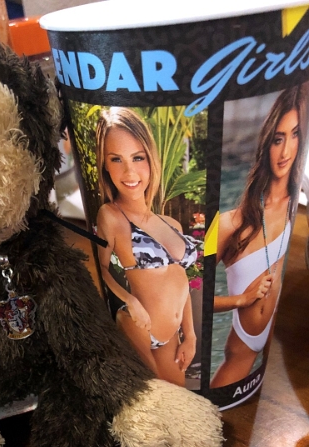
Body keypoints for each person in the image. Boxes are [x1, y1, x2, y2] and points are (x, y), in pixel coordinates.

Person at [211, 84, 308, 388]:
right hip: (241, 350)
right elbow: (188, 295)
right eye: (278, 139)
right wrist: (240, 299)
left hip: (271, 347)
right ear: (267, 144)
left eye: (295, 135)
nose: (286, 151)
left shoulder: (293, 204)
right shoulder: (229, 223)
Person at [96, 107, 197, 386]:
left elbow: (181, 281)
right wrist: (130, 301)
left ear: (150, 160)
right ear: (105, 165)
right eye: (116, 159)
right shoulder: (111, 216)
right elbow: (102, 267)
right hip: (139, 325)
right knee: (156, 400)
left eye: (137, 158)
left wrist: (189, 335)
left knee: (180, 402)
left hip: (171, 336)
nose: (129, 171)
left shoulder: (171, 224)